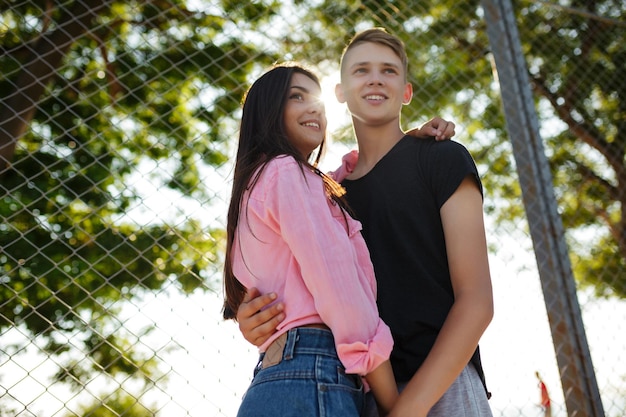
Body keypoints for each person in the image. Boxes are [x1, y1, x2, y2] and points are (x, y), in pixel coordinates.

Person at [236, 27, 494, 417]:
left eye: (389, 70)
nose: (375, 78)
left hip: (441, 384)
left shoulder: (442, 159)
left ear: (406, 92)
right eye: (361, 71)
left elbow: (476, 301)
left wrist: (408, 409)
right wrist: (250, 318)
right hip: (358, 391)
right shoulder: (328, 193)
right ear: (339, 94)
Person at [222, 62, 399, 417]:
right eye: (296, 97)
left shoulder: (261, 184)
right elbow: (341, 291)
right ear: (269, 110)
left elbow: (327, 193)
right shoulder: (286, 173)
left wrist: (405, 144)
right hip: (312, 375)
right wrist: (395, 402)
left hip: (279, 379)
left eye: (315, 99)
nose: (314, 106)